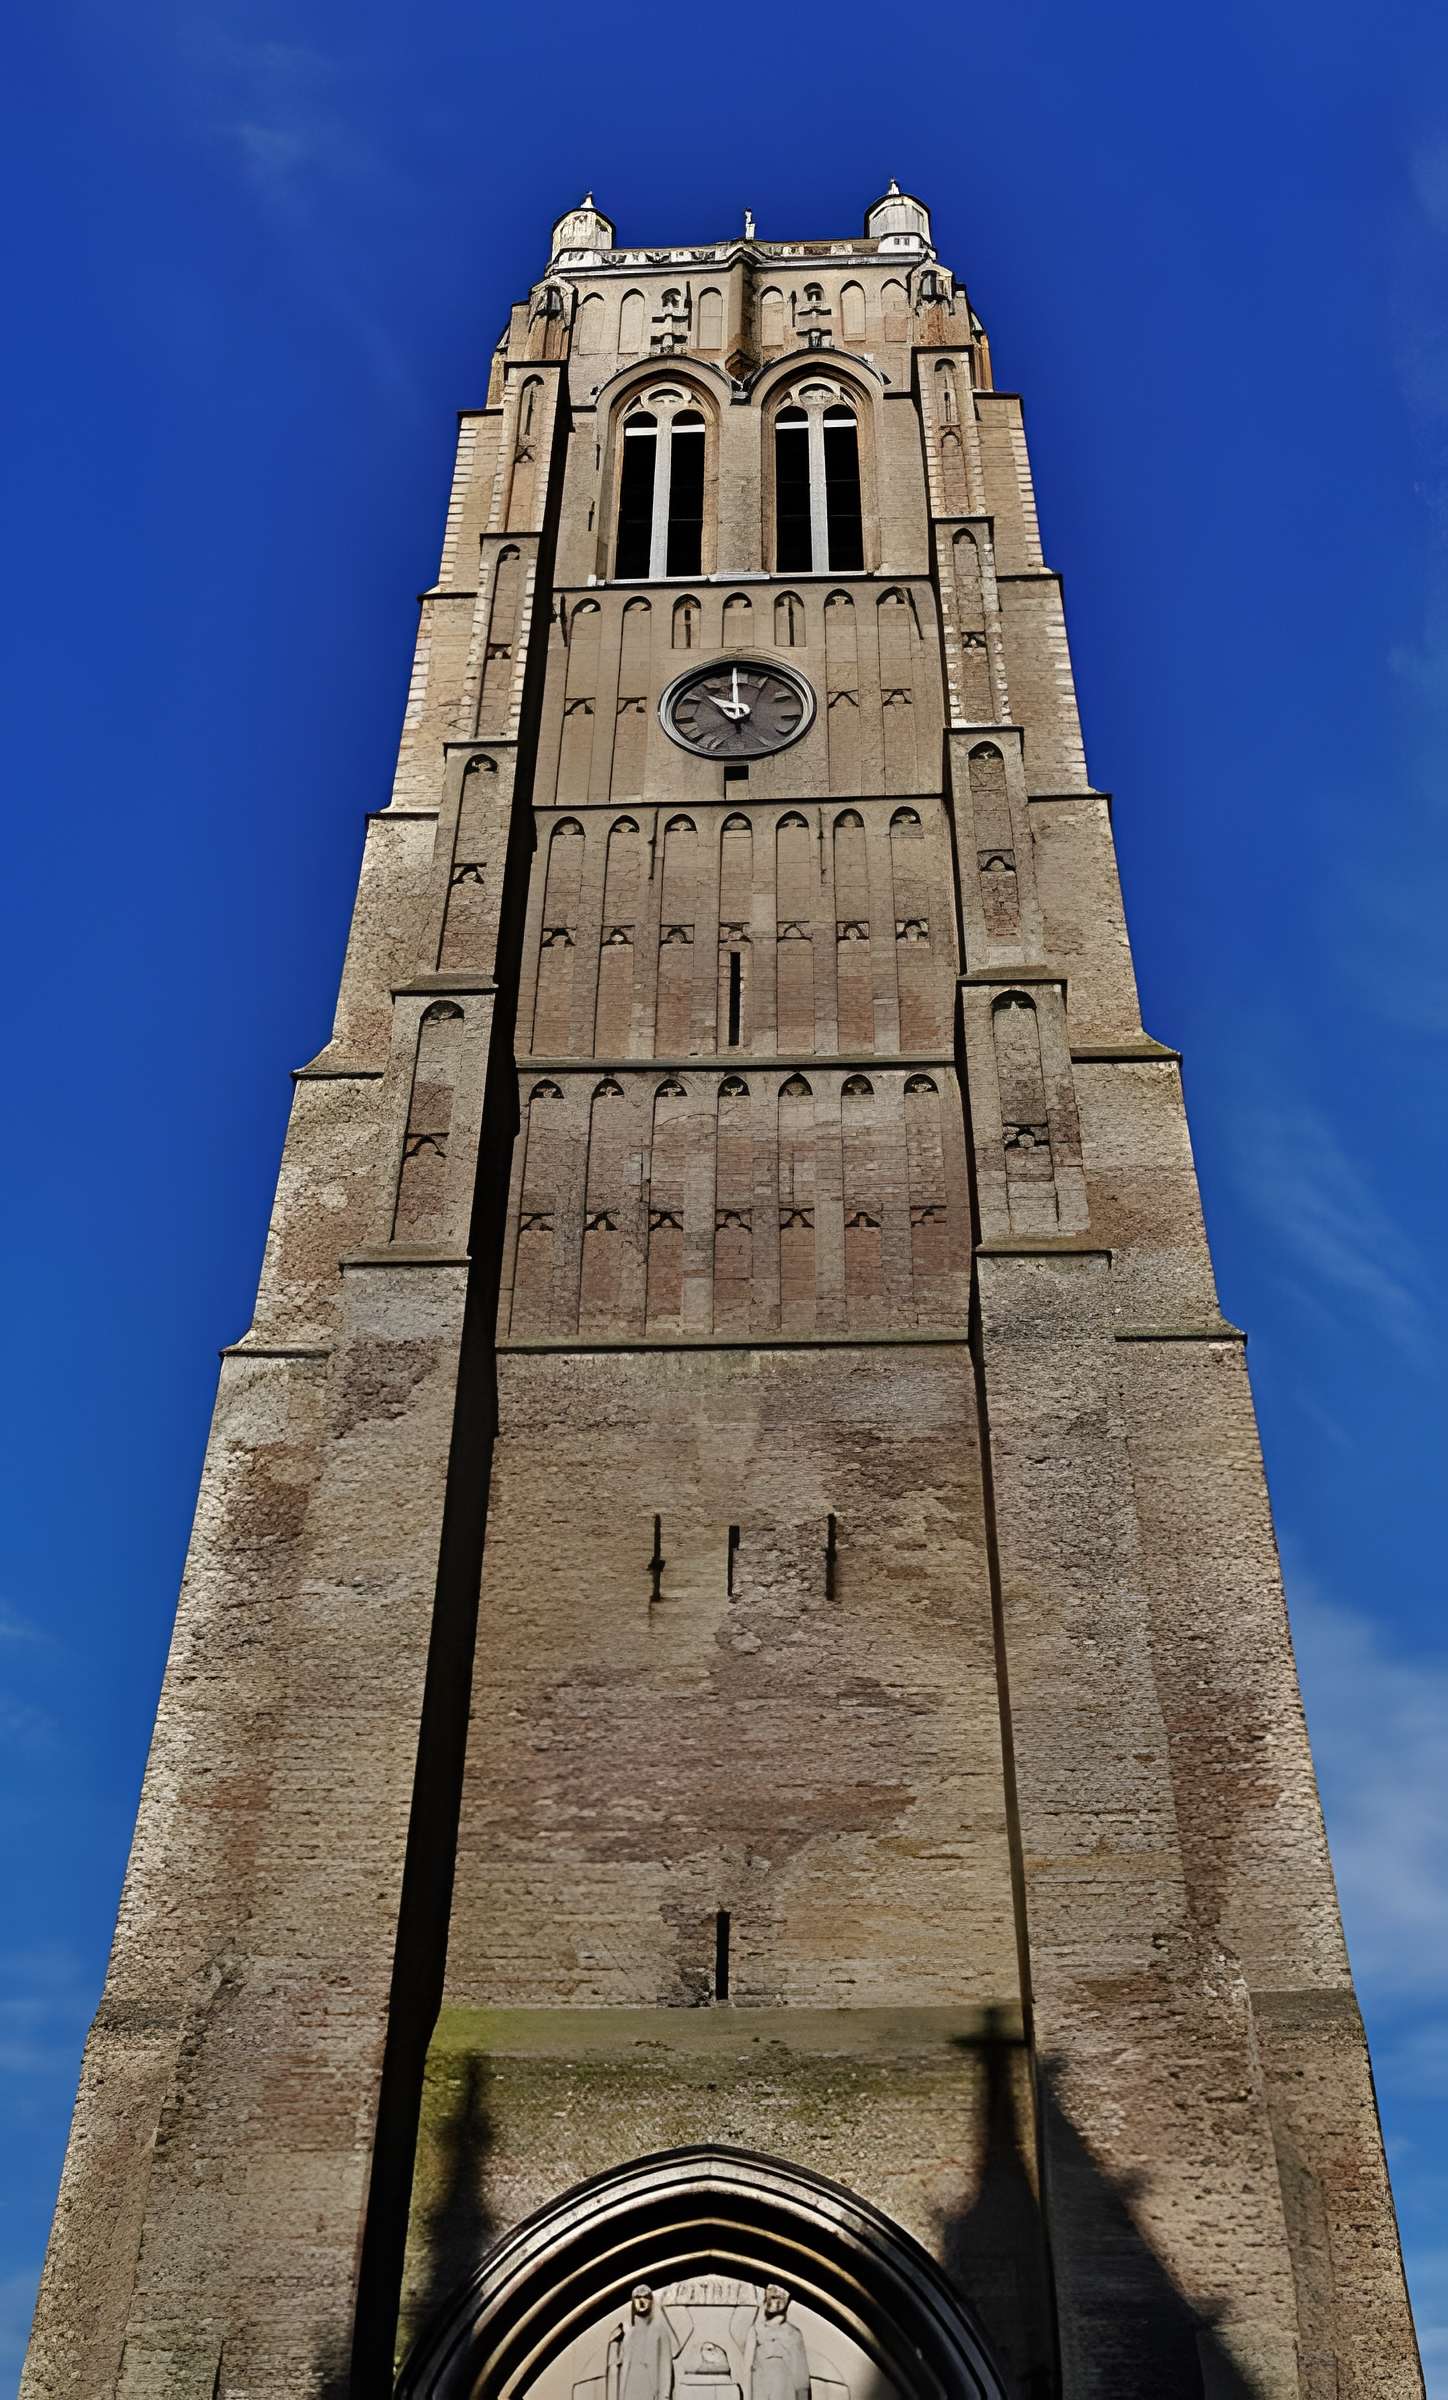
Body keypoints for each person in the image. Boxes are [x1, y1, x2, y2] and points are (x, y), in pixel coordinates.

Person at [608, 2285, 678, 2400]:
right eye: (637, 2297)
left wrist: (664, 2396)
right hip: (630, 2388)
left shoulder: (660, 2331)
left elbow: (665, 2367)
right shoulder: (627, 2333)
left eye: (646, 2297)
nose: (641, 2301)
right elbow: (617, 2365)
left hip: (650, 2388)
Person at [743, 2286, 810, 2400]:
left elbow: (801, 2380)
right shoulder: (755, 2330)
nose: (775, 2300)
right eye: (771, 2292)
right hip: (760, 2389)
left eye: (780, 2296)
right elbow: (747, 2372)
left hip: (785, 2391)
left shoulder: (793, 2334)